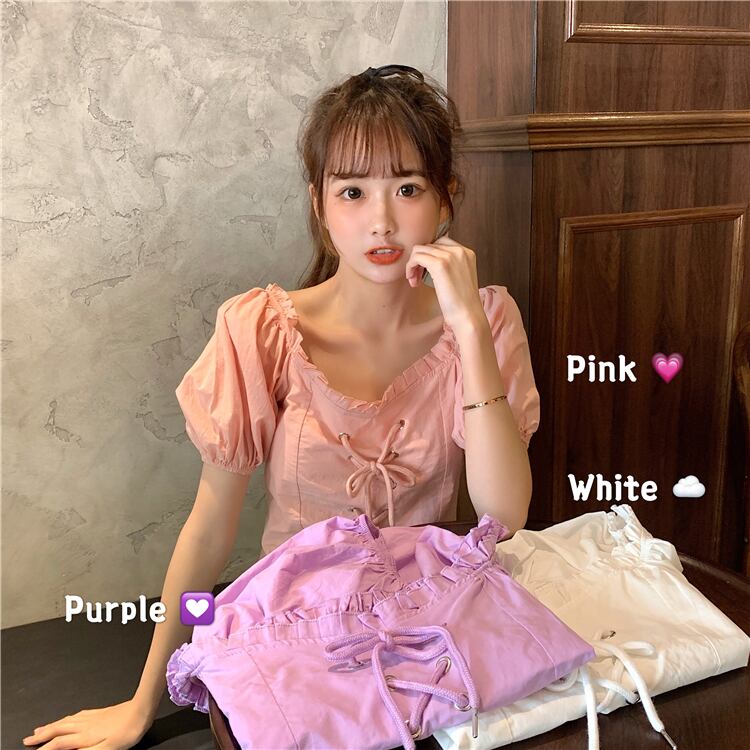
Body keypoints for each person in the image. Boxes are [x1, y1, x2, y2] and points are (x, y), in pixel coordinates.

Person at [23, 64, 540, 750]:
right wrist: (143, 701)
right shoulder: (259, 331)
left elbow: (505, 514)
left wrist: (468, 328)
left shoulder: (488, 320)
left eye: (408, 188)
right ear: (320, 205)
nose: (381, 220)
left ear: (446, 199)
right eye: (352, 191)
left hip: (431, 620)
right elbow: (208, 530)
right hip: (297, 627)